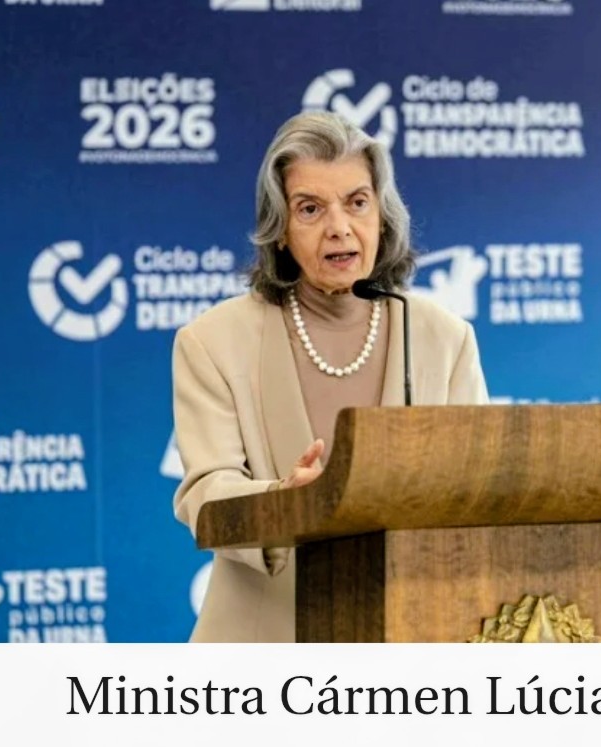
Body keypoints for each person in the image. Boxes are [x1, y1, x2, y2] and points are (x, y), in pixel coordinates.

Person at [171, 112, 488, 642]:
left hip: (406, 643)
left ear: (382, 217)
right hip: (262, 646)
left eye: (357, 202)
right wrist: (284, 502)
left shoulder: (444, 338)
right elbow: (205, 496)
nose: (339, 226)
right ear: (279, 232)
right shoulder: (212, 342)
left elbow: (476, 488)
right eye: (311, 209)